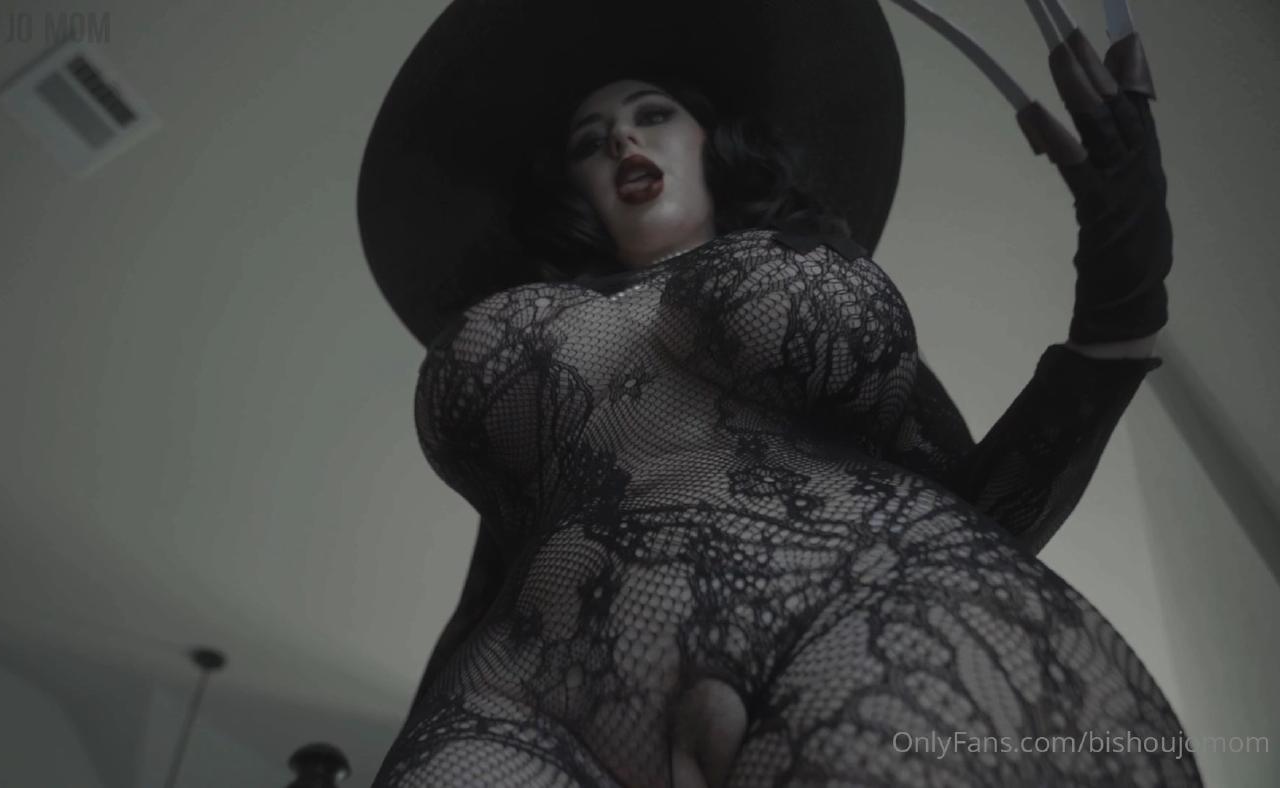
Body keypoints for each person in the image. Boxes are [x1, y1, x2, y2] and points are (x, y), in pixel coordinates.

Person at [356, 1, 1198, 785]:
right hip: (524, 707)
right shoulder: (547, 346)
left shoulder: (792, 277)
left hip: (862, 625)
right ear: (572, 190)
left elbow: (987, 511)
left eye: (652, 114)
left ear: (712, 143)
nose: (620, 139)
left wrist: (1121, 302)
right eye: (588, 141)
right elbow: (491, 583)